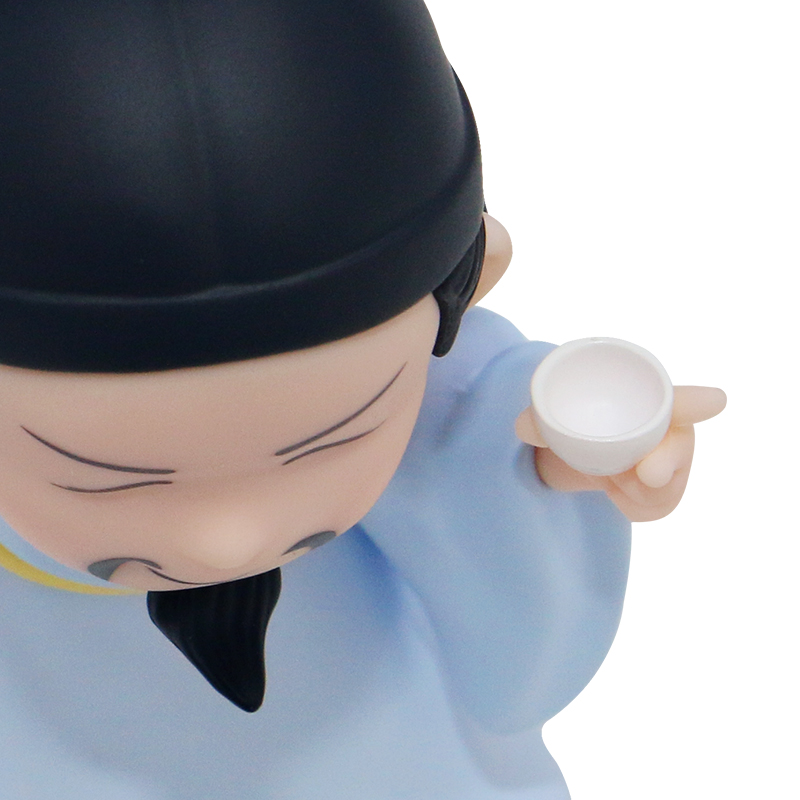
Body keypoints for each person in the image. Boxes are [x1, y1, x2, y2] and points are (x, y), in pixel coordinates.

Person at [0, 1, 723, 797]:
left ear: (469, 281)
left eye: (330, 442)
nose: (228, 543)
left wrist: (539, 470)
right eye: (110, 479)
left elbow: (517, 666)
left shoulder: (435, 419)